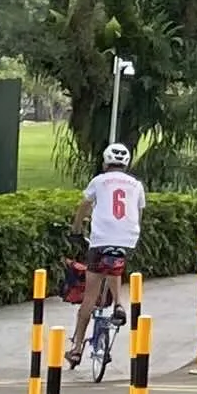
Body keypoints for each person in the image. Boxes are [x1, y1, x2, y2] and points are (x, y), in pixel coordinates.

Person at [69, 143, 146, 368]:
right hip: (127, 239)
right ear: (127, 163)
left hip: (101, 240)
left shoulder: (99, 181)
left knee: (89, 297)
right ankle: (119, 305)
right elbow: (138, 214)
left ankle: (76, 348)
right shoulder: (136, 185)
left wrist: (76, 230)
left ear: (105, 163)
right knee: (114, 266)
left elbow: (84, 206)